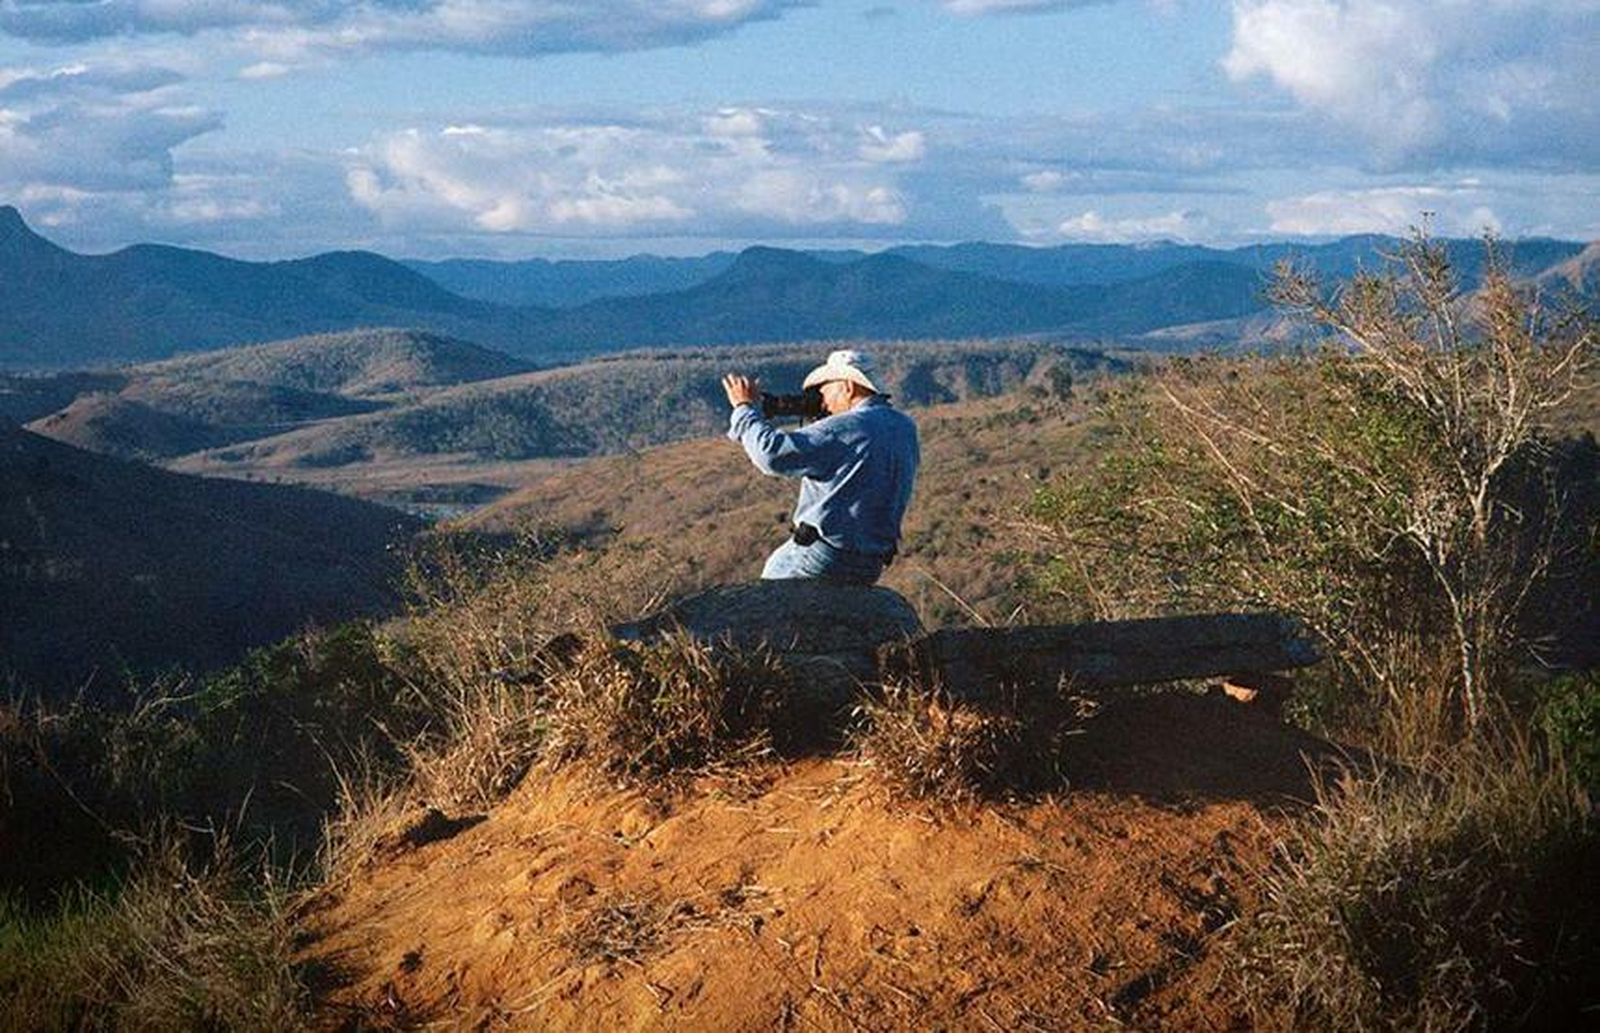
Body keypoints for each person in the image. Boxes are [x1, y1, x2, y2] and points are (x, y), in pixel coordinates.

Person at [722, 349, 919, 585]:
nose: (822, 400)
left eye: (824, 389)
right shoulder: (904, 426)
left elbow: (771, 455)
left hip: (824, 557)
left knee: (764, 602)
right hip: (871, 564)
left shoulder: (848, 426)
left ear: (848, 387)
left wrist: (744, 409)